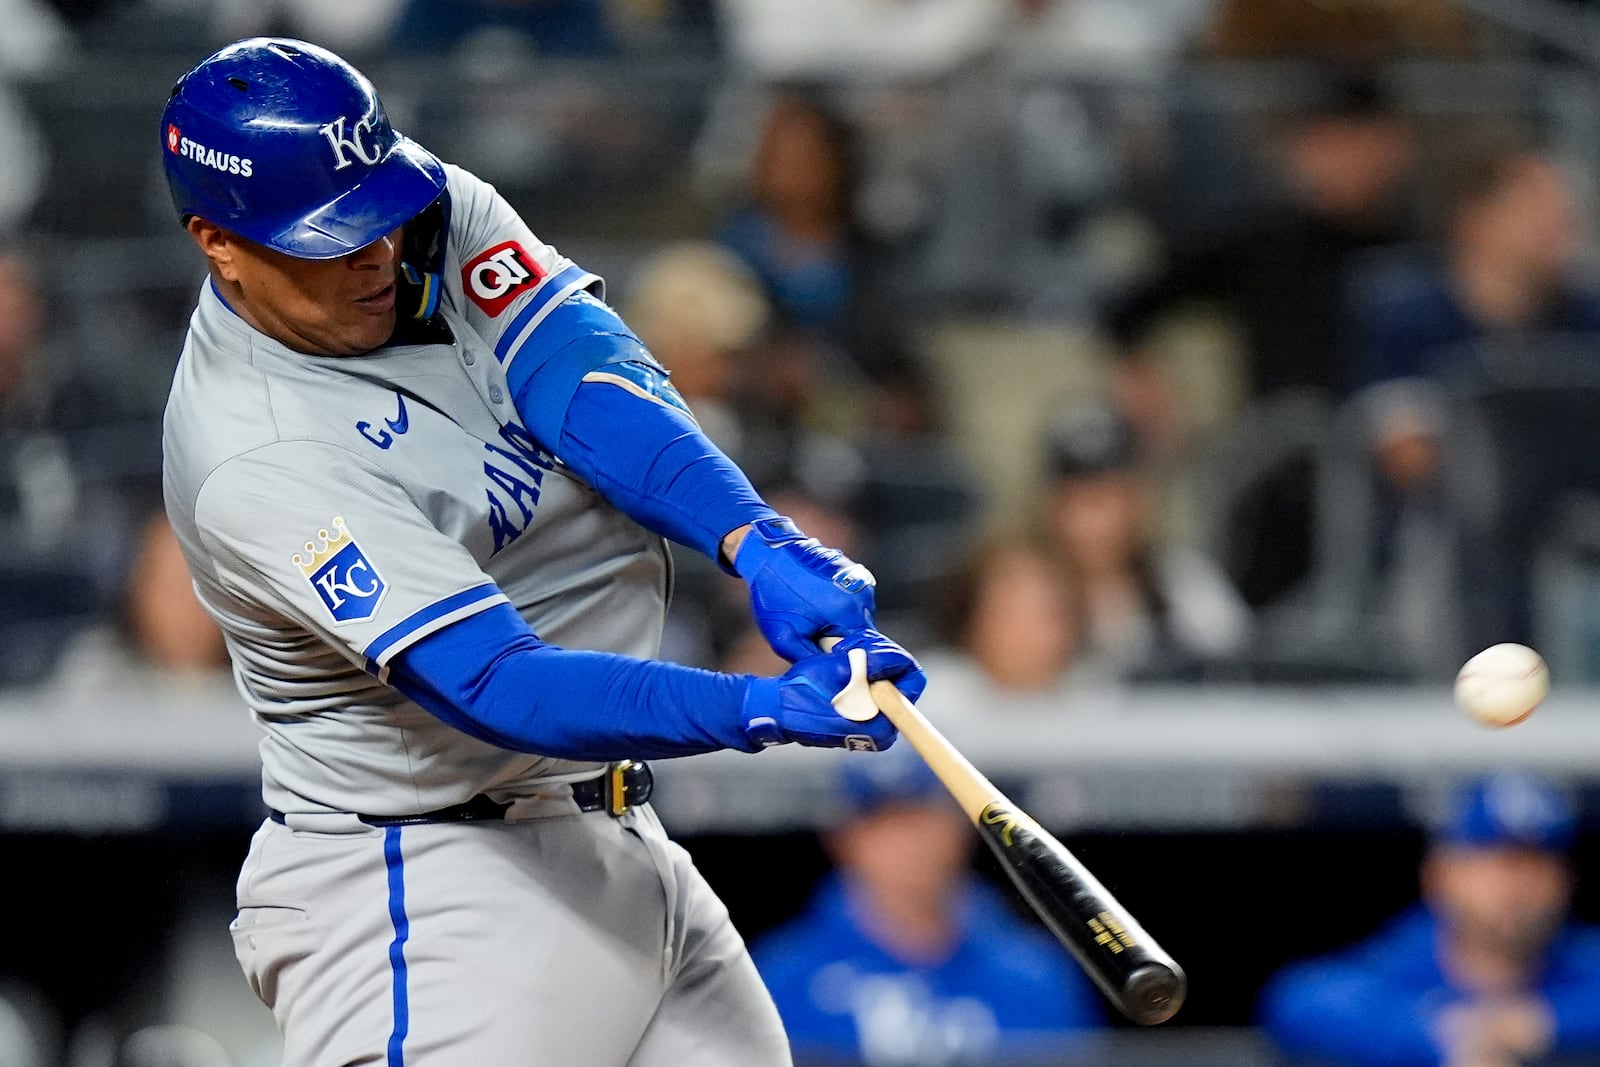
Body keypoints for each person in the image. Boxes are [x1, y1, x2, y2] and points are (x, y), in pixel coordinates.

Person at [157, 38, 925, 1066]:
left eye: (378, 213)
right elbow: (497, 681)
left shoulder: (397, 199)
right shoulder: (251, 451)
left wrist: (759, 540)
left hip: (612, 833)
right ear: (218, 240)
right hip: (430, 879)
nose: (377, 250)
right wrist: (751, 706)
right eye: (331, 238)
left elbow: (577, 368)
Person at [751, 745, 1102, 1067]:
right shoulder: (782, 976)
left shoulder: (1035, 975)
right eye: (885, 823)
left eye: (925, 817)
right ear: (842, 837)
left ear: (963, 826)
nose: (909, 843)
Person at [1260, 771, 1600, 1067]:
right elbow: (1296, 1000)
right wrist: (1440, 1036)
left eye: (1537, 867)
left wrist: (1544, 1021)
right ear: (1440, 876)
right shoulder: (1408, 957)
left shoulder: (1581, 959)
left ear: (1566, 880)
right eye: (1497, 866)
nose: (1518, 888)